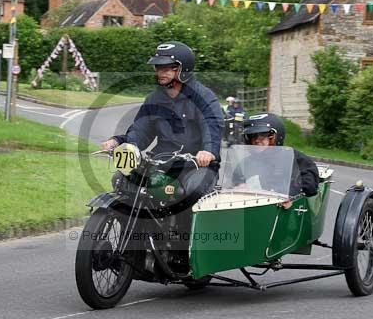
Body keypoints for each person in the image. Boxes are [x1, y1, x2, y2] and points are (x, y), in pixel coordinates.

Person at [100, 41, 224, 208]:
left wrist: (208, 151)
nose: (160, 72)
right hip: (162, 163)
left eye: (167, 68)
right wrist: (120, 142)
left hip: (195, 166)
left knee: (193, 190)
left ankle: (187, 226)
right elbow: (141, 130)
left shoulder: (203, 97)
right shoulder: (154, 99)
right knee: (122, 180)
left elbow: (212, 125)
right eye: (158, 67)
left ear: (183, 69)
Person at [235, 113, 319, 202]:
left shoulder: (295, 158)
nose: (256, 140)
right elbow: (235, 181)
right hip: (254, 205)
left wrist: (289, 194)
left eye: (263, 135)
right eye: (253, 136)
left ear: (276, 136)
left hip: (283, 207)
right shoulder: (247, 162)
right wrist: (239, 186)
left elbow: (310, 186)